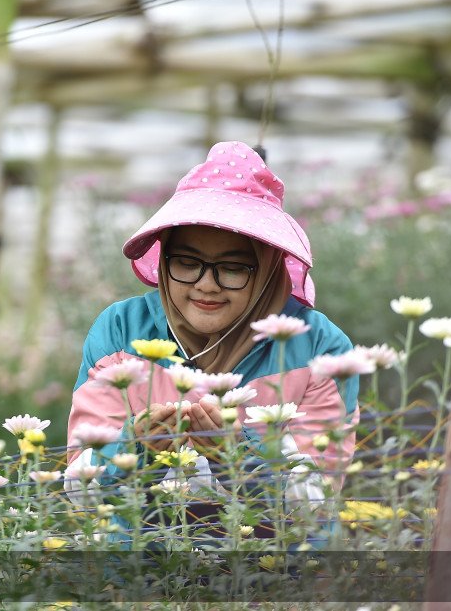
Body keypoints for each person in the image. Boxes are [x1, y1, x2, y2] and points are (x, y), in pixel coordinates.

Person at [65, 140, 359, 506]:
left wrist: (241, 459)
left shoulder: (319, 347)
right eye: (187, 262)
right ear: (164, 259)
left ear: (268, 270)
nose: (206, 285)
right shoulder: (122, 329)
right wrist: (133, 452)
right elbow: (81, 492)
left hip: (270, 563)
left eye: (233, 267)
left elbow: (316, 503)